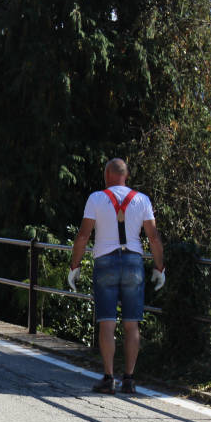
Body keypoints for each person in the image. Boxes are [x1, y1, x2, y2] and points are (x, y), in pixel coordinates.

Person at [68, 158, 165, 395]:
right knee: (132, 324)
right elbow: (153, 237)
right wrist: (160, 267)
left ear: (106, 175)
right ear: (126, 175)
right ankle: (129, 379)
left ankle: (109, 377)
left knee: (107, 323)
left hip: (105, 261)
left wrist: (75, 265)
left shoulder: (96, 199)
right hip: (133, 261)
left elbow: (83, 236)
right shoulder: (142, 200)